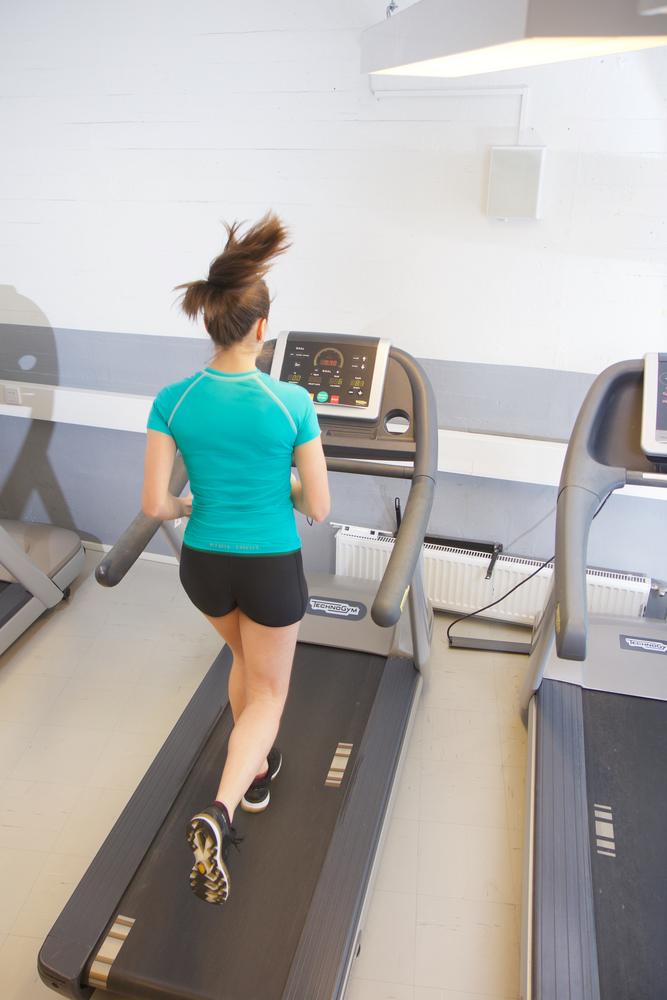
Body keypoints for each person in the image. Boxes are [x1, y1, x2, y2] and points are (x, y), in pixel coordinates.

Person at [141, 213, 330, 904]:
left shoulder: (174, 399)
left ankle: (254, 772)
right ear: (259, 328)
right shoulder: (291, 402)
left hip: (203, 567)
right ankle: (220, 811)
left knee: (243, 666)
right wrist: (276, 484)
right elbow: (318, 503)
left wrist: (197, 504)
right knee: (271, 693)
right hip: (270, 566)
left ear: (211, 323)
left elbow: (157, 504)